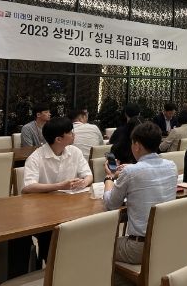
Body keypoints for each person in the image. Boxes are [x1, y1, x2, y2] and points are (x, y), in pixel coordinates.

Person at [103, 122, 177, 285]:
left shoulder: (131, 172)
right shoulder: (172, 166)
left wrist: (109, 178)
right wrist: (133, 167)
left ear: (136, 145)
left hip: (139, 248)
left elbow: (110, 204)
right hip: (166, 241)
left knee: (97, 244)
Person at [23, 117, 93, 265]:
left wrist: (84, 182)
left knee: (88, 225)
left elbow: (88, 175)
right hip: (44, 214)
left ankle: (76, 263)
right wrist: (60, 186)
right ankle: (53, 266)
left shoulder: (74, 151)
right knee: (53, 235)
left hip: (70, 208)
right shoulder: (36, 157)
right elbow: (28, 187)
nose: (74, 135)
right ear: (59, 139)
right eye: (70, 132)